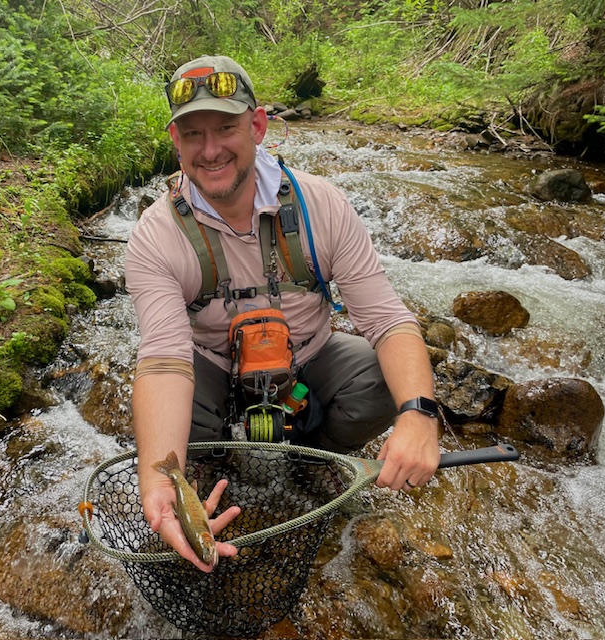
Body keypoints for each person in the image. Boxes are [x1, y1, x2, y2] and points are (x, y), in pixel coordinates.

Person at [124, 54, 441, 573]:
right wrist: (162, 480)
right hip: (212, 366)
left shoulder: (323, 206)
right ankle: (207, 476)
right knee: (180, 434)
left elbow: (387, 320)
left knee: (383, 383)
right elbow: (164, 361)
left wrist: (420, 413)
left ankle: (315, 458)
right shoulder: (155, 236)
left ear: (257, 124)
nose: (210, 150)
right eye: (193, 134)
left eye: (226, 127)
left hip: (307, 358)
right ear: (175, 141)